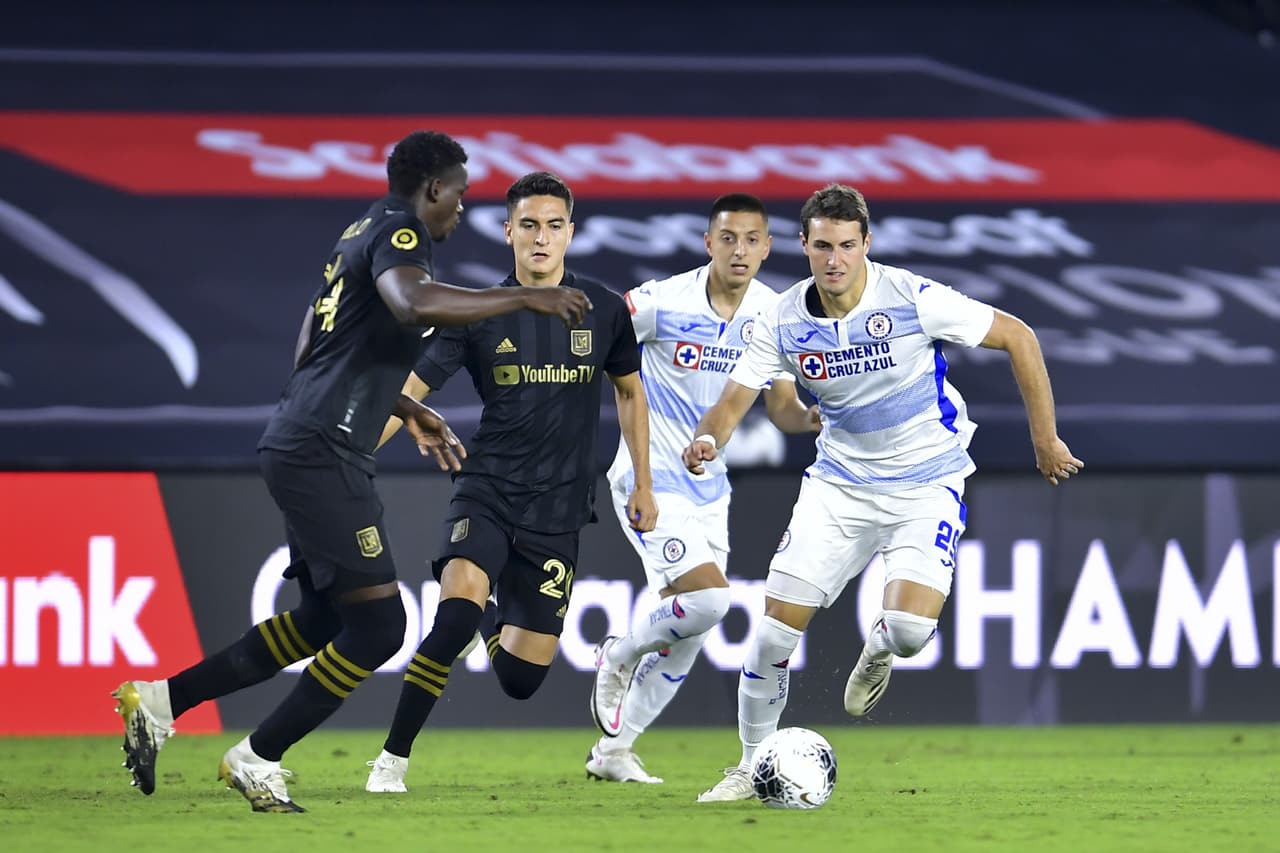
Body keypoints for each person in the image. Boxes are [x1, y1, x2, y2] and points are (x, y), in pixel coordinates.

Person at [112, 131, 590, 813]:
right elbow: (411, 303)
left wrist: (401, 405)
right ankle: (257, 757)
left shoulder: (356, 231)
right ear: (433, 189)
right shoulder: (400, 233)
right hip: (323, 450)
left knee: (316, 621)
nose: (461, 209)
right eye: (458, 193)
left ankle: (159, 702)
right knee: (378, 627)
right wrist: (523, 299)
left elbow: (314, 341)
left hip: (302, 438)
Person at [687, 183, 1083, 802]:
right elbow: (732, 402)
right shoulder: (780, 319)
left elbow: (1019, 336)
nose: (835, 259)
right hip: (839, 488)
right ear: (805, 246)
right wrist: (708, 441)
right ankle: (748, 765)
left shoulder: (912, 297)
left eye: (848, 245)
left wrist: (1046, 441)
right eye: (823, 246)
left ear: (866, 244)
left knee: (906, 631)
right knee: (771, 633)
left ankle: (880, 647)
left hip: (927, 483)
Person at [364, 171, 657, 794]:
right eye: (529, 225)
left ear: (572, 233)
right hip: (488, 489)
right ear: (508, 233)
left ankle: (488, 618)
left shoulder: (604, 309)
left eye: (554, 225)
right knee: (452, 614)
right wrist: (353, 457)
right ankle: (391, 762)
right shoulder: (476, 315)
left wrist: (644, 484)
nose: (541, 238)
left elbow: (630, 393)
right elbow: (410, 393)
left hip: (558, 508)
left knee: (521, 681)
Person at [584, 193, 819, 784]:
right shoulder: (662, 302)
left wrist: (826, 418)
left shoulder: (776, 316)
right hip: (650, 482)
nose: (739, 250)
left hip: (711, 490)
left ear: (768, 248)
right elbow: (593, 340)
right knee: (713, 600)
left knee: (690, 628)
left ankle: (614, 753)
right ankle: (616, 653)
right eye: (728, 238)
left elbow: (784, 409)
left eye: (752, 240)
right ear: (708, 243)